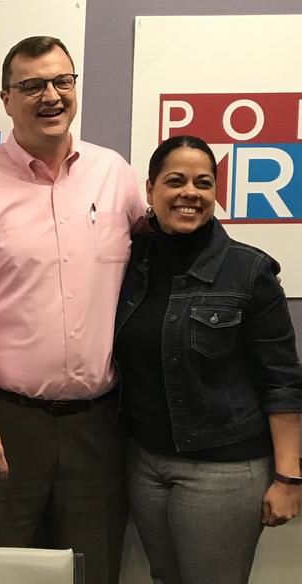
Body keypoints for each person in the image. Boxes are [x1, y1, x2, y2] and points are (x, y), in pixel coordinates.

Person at [0, 36, 143, 584]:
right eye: (31, 86)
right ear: (6, 99)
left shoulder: (114, 174)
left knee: (92, 570)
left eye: (62, 81)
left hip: (98, 424)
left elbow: (157, 267)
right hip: (2, 424)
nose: (50, 95)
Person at [114, 135, 302, 584]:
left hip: (225, 470)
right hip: (145, 463)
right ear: (150, 189)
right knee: (163, 578)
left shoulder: (249, 271)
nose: (189, 193)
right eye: (175, 181)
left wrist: (289, 478)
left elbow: (282, 381)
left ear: (215, 194)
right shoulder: (130, 261)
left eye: (203, 183)